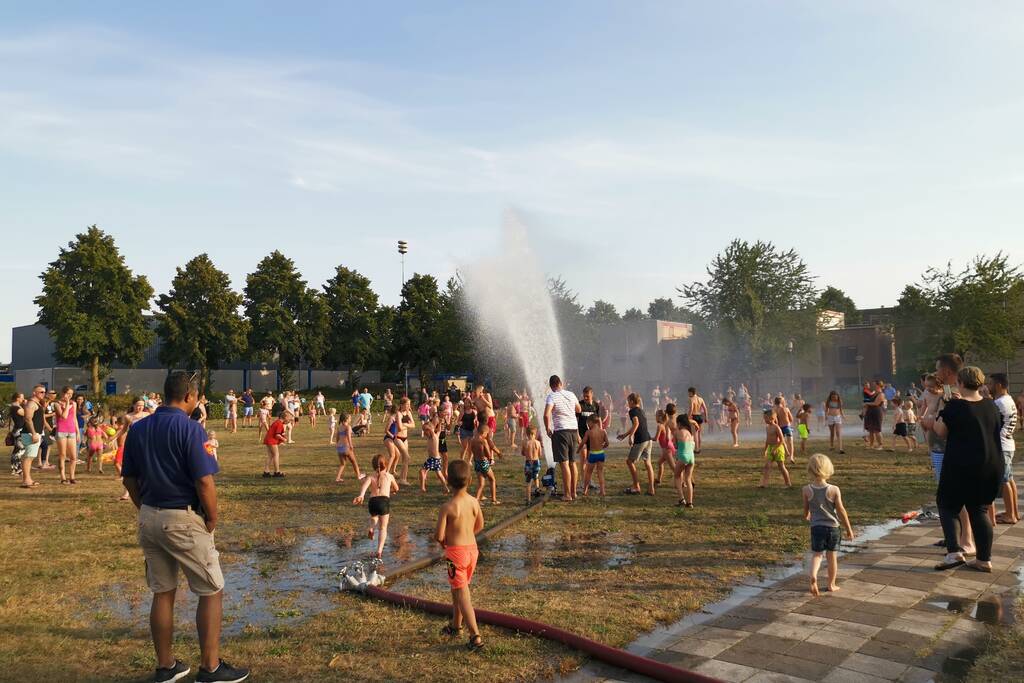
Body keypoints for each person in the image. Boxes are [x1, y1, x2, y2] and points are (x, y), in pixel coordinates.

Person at [121, 372, 249, 683]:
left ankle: (166, 667)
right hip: (183, 517)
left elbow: (129, 479)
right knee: (212, 590)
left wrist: (146, 509)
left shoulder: (139, 428)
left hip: (150, 515)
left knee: (162, 592)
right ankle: (211, 667)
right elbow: (204, 481)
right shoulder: (191, 429)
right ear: (189, 396)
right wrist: (213, 517)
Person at [931, 366, 1002, 572]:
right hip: (990, 464)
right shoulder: (992, 406)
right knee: (979, 510)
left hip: (961, 465)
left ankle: (954, 553)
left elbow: (940, 431)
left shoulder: (956, 406)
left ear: (960, 383)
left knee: (947, 505)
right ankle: (983, 559)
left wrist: (941, 409)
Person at [435, 459, 485, 650]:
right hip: (472, 551)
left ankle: (475, 636)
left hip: (455, 555)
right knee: (457, 589)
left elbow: (439, 535)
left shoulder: (447, 507)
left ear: (448, 481)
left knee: (462, 593)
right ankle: (456, 625)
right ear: (470, 480)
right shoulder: (474, 502)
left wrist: (444, 543)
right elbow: (480, 524)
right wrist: (468, 535)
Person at [803, 454, 855, 596]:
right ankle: (831, 585)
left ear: (810, 470)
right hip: (833, 528)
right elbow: (841, 510)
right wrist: (849, 529)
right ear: (828, 469)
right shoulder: (834, 489)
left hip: (816, 527)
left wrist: (807, 515)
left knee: (817, 555)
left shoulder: (806, 489)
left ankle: (813, 575)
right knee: (832, 557)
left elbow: (806, 508)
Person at [543, 375, 581, 502]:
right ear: (561, 383)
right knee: (572, 463)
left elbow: (546, 414)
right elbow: (578, 409)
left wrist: (548, 428)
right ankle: (574, 492)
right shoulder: (571, 394)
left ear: (551, 386)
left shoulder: (551, 396)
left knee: (564, 464)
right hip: (573, 431)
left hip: (561, 432)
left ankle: (567, 494)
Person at [353, 453, 398, 559]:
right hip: (383, 502)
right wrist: (391, 491)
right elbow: (397, 488)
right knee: (383, 528)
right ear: (386, 465)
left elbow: (364, 487)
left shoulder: (371, 477)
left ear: (373, 466)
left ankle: (372, 527)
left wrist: (361, 496)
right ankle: (379, 551)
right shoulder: (389, 476)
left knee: (374, 517)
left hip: (372, 502)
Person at [989, 373, 1018, 525]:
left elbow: (991, 421)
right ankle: (1012, 512)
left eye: (991, 383)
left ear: (999, 385)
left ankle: (1010, 515)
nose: (989, 386)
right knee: (1010, 479)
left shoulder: (999, 402)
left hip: (1002, 445)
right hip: (1008, 443)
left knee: (1005, 480)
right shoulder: (1009, 399)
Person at [617, 392, 655, 496]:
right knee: (648, 463)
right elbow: (637, 424)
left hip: (641, 440)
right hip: (648, 439)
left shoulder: (632, 411)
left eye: (628, 401)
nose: (627, 403)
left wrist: (631, 436)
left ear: (632, 402)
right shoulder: (641, 410)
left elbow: (636, 423)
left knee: (629, 462)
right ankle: (651, 489)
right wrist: (625, 435)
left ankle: (636, 486)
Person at [15, 388, 43, 488]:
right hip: (30, 434)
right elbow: (28, 419)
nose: (43, 394)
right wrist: (34, 433)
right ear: (34, 393)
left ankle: (27, 479)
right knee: (28, 457)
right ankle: (26, 480)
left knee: (28, 457)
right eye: (41, 392)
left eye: (44, 391)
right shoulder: (31, 404)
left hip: (33, 433)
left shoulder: (37, 403)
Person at [760, 409, 792, 488]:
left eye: (766, 418)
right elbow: (767, 440)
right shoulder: (767, 427)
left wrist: (775, 449)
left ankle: (788, 483)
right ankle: (764, 484)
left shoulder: (776, 427)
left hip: (778, 448)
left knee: (781, 467)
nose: (764, 420)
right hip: (771, 448)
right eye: (764, 418)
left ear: (772, 418)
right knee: (767, 466)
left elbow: (782, 440)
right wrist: (765, 450)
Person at [578, 415, 608, 497]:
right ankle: (602, 491)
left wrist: (578, 450)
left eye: (588, 423)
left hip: (593, 454)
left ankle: (585, 491)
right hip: (601, 454)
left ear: (591, 422)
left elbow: (583, 442)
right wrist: (602, 447)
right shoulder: (603, 431)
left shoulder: (589, 432)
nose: (588, 425)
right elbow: (607, 443)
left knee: (588, 473)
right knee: (600, 472)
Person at [53, 386, 78, 484]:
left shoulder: (74, 404)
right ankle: (63, 477)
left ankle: (72, 477)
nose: (70, 396)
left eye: (71, 394)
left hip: (71, 431)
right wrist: (67, 404)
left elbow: (74, 418)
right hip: (61, 431)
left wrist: (77, 432)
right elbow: (64, 416)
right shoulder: (56, 404)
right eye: (68, 393)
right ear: (63, 393)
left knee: (73, 456)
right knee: (63, 455)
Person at [470, 423, 499, 505]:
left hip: (476, 462)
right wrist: (490, 459)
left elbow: (472, 451)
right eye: (487, 434)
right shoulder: (483, 441)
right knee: (492, 479)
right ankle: (493, 500)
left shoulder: (473, 440)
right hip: (484, 462)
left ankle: (476, 501)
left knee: (481, 484)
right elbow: (487, 453)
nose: (487, 435)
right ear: (483, 433)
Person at [671, 413, 696, 508]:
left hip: (682, 457)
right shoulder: (690, 433)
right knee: (688, 479)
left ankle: (681, 499)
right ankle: (690, 503)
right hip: (691, 457)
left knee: (677, 476)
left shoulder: (677, 432)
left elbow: (675, 445)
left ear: (680, 423)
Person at [420, 413, 449, 493]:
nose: (424, 433)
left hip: (433, 459)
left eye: (425, 431)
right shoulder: (436, 435)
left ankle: (422, 488)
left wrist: (435, 422)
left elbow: (432, 429)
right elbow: (439, 430)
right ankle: (445, 487)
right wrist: (439, 423)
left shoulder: (433, 436)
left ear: (429, 430)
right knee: (439, 474)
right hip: (436, 458)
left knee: (422, 471)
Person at [262, 411, 292, 478]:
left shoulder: (277, 422)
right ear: (285, 417)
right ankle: (277, 472)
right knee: (276, 455)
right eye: (289, 419)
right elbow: (277, 435)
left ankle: (266, 472)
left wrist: (280, 441)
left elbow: (274, 433)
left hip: (268, 439)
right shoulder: (279, 424)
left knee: (270, 456)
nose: (289, 421)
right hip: (271, 441)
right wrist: (283, 439)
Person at [334, 413, 361, 482]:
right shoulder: (348, 427)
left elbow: (337, 437)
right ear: (346, 419)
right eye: (350, 418)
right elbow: (349, 437)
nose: (350, 419)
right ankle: (358, 476)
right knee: (354, 462)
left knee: (342, 464)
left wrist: (337, 444)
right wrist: (351, 445)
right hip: (346, 447)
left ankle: (337, 478)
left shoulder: (339, 427)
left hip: (339, 448)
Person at [654, 409, 676, 485]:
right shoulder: (666, 425)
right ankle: (658, 480)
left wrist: (647, 437)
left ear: (660, 417)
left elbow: (656, 438)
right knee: (659, 463)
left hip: (667, 449)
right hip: (669, 447)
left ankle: (683, 482)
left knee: (674, 468)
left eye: (656, 416)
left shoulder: (660, 426)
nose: (655, 417)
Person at [521, 426, 542, 503]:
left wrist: (527, 453)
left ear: (527, 434)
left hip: (528, 463)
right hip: (536, 462)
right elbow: (540, 454)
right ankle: (537, 489)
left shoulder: (525, 442)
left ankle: (528, 499)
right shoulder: (538, 443)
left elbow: (522, 453)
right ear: (535, 434)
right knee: (536, 477)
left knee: (528, 481)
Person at [773, 396, 795, 464]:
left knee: (782, 441)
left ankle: (786, 453)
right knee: (790, 442)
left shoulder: (774, 410)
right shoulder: (786, 409)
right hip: (787, 426)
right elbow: (791, 419)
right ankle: (791, 456)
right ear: (782, 402)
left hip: (779, 427)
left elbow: (774, 420)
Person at [687, 388, 708, 453]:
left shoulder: (691, 399)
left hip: (694, 416)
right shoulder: (700, 399)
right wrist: (706, 417)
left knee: (695, 434)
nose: (688, 394)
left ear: (691, 392)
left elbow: (691, 409)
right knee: (699, 433)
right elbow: (705, 408)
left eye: (689, 393)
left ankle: (696, 449)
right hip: (700, 416)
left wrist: (688, 417)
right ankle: (699, 447)